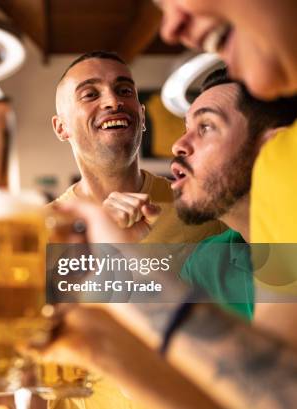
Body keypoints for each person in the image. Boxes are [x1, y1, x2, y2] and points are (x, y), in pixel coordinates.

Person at [37, 70, 297, 409]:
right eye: (187, 127)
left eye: (205, 127)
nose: (178, 144)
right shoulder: (208, 261)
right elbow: (220, 396)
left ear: (274, 150)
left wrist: (131, 266)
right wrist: (93, 346)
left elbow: (282, 392)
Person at [48, 51, 227, 409]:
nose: (113, 101)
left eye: (125, 90)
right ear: (61, 127)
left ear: (142, 116)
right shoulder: (40, 231)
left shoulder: (203, 210)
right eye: (90, 94)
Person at [155, 0, 297, 342]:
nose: (169, 28)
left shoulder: (285, 163)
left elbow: (274, 384)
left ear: (272, 143)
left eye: (205, 127)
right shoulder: (208, 261)